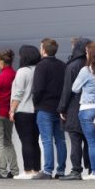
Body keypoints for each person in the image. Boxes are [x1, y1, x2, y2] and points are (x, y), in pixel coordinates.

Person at [32, 38, 67, 179]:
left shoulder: (41, 66)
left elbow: (38, 88)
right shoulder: (63, 65)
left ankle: (47, 170)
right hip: (59, 109)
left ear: (44, 50)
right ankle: (61, 170)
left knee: (46, 140)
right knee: (60, 140)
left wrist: (36, 103)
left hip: (45, 108)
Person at [72, 42, 95, 180]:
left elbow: (75, 88)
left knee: (91, 142)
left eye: (87, 53)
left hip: (87, 109)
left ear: (90, 55)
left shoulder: (86, 71)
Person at [58, 38, 92, 181]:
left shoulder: (73, 65)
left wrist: (61, 108)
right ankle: (92, 169)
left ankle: (76, 170)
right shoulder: (91, 64)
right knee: (89, 141)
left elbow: (67, 90)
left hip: (73, 108)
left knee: (75, 140)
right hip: (90, 108)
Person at [9, 45, 41, 180]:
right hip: (36, 110)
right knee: (35, 141)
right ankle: (36, 170)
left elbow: (18, 93)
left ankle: (28, 170)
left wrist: (12, 110)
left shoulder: (23, 71)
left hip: (23, 110)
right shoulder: (39, 69)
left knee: (26, 141)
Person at [0, 49, 19, 179]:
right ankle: (14, 170)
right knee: (8, 142)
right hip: (9, 113)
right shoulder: (16, 75)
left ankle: (2, 171)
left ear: (1, 62)